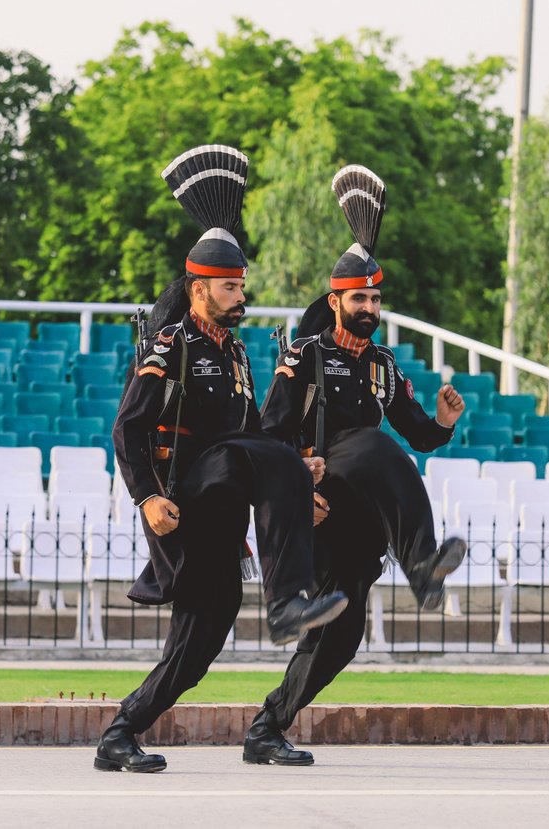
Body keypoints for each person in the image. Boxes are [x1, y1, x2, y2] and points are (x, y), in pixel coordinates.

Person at [97, 144, 348, 774]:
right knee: (254, 458)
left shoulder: (235, 353)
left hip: (224, 503)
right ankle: (288, 600)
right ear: (198, 287)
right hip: (188, 491)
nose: (242, 297)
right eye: (230, 287)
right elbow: (127, 427)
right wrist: (147, 496)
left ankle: (118, 735)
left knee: (202, 638)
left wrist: (296, 475)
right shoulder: (170, 343)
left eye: (241, 286)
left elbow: (256, 431)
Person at [243, 164, 466, 766]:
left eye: (374, 298)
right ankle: (421, 563)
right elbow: (268, 435)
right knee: (369, 443)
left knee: (342, 630)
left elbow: (419, 436)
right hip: (315, 497)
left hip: (356, 517)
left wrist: (443, 420)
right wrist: (296, 479)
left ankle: (268, 727)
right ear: (335, 300)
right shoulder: (305, 357)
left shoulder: (383, 365)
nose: (368, 307)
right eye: (358, 298)